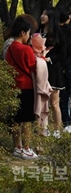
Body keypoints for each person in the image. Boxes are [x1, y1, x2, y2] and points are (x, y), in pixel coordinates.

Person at [5, 17, 39, 159]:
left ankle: (16, 147)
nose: (29, 36)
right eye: (29, 33)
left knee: (16, 119)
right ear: (23, 33)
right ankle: (26, 148)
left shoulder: (10, 48)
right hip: (26, 87)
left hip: (13, 86)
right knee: (26, 121)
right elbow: (33, 66)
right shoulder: (26, 49)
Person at [40, 8, 66, 130]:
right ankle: (42, 128)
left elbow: (63, 53)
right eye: (42, 14)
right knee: (41, 102)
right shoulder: (38, 31)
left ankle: (57, 129)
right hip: (39, 68)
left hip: (53, 69)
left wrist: (49, 59)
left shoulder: (59, 33)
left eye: (45, 14)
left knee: (54, 102)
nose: (42, 16)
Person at [30, 33, 52, 135]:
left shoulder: (34, 57)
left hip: (32, 88)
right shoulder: (39, 61)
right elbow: (42, 79)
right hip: (38, 90)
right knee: (40, 110)